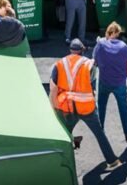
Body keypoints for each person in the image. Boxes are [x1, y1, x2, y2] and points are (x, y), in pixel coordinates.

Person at [50, 38, 122, 171]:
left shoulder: (59, 64)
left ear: (70, 50)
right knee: (99, 133)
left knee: (64, 135)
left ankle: (60, 163)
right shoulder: (89, 65)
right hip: (86, 107)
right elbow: (92, 87)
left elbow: (53, 89)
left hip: (67, 107)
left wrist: (55, 109)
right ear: (82, 51)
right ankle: (112, 161)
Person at [94, 22, 127, 146]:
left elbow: (95, 62)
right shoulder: (125, 48)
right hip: (120, 83)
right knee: (123, 108)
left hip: (104, 82)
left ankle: (100, 133)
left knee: (101, 107)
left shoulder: (100, 45)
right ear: (118, 33)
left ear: (108, 32)